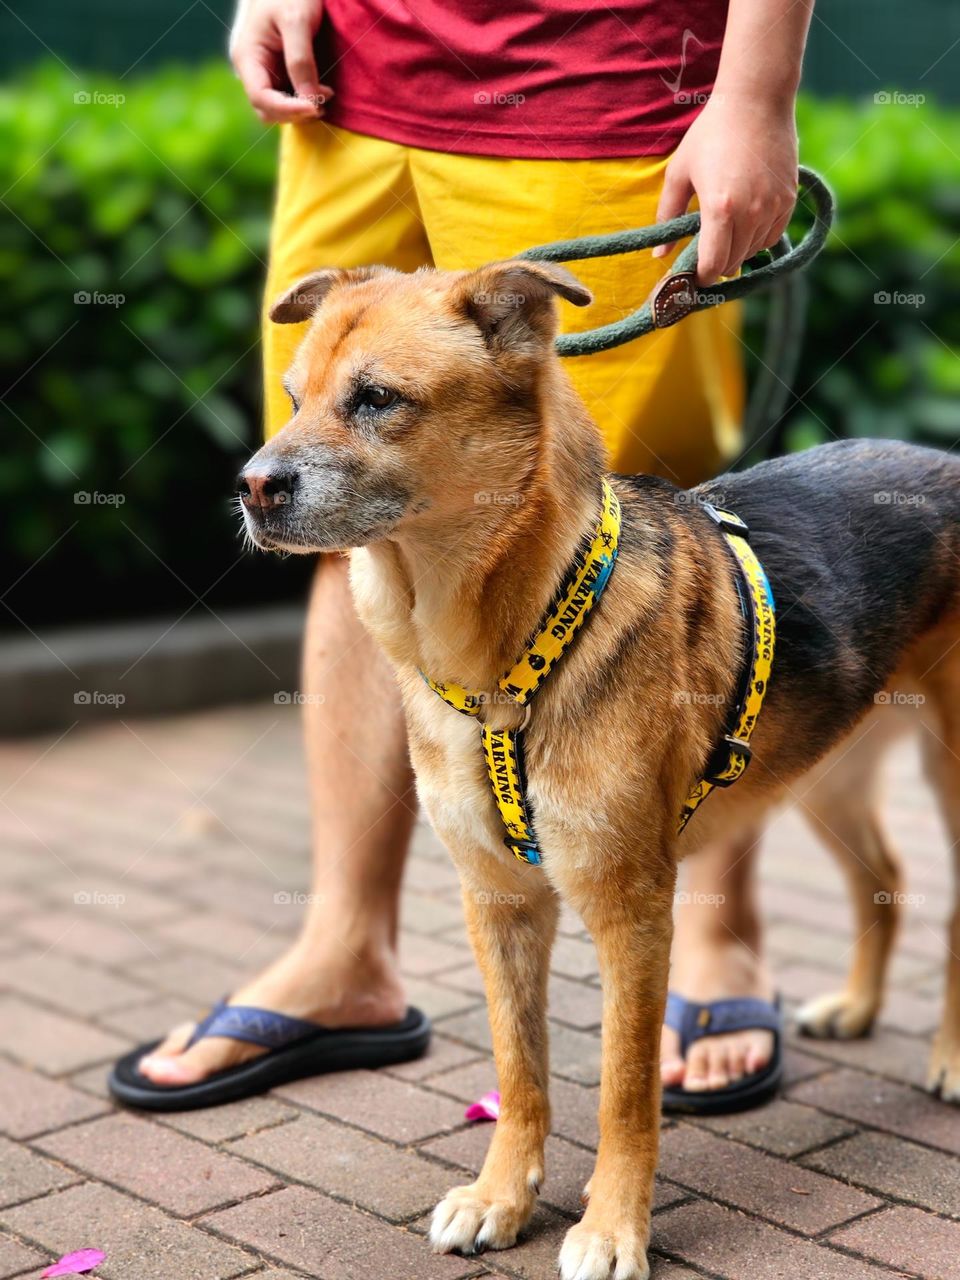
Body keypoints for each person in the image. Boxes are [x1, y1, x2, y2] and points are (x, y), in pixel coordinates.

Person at [114, 0, 812, 1110]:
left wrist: (754, 93)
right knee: (343, 496)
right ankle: (345, 948)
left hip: (598, 85)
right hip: (351, 79)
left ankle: (717, 937)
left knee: (651, 520)